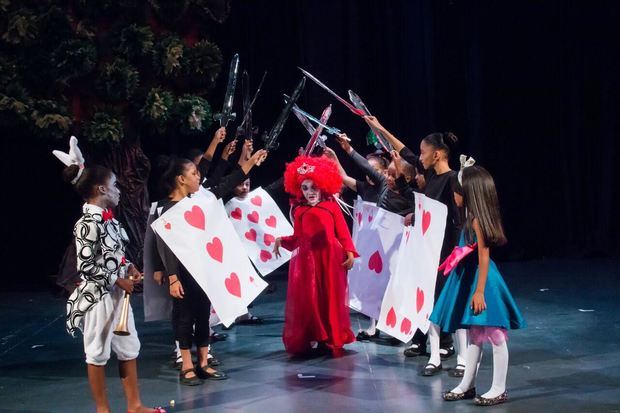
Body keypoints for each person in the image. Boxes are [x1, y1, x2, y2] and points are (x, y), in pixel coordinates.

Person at [59, 138, 164, 413]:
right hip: (98, 297)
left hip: (118, 295)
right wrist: (117, 279)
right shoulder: (86, 223)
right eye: (115, 185)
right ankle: (102, 409)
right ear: (102, 188)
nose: (119, 190)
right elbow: (86, 266)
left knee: (129, 347)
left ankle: (135, 405)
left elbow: (113, 254)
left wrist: (128, 267)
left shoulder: (109, 219)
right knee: (97, 351)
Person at [153, 149, 267, 385]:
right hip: (183, 273)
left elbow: (227, 184)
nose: (198, 178)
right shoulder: (167, 209)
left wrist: (251, 163)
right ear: (181, 179)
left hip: (205, 271)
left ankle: (204, 362)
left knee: (203, 315)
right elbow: (166, 246)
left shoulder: (202, 199)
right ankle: (186, 364)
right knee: (184, 318)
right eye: (194, 174)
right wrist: (173, 278)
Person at [364, 116, 464, 375]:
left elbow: (455, 221)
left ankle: (452, 350)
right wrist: (380, 127)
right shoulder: (430, 176)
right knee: (426, 301)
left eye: (423, 153)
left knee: (443, 302)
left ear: (438, 154)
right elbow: (404, 151)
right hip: (425, 250)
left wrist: (454, 254)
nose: (419, 157)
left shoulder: (452, 179)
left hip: (443, 252)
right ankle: (428, 349)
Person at [434, 162, 526, 406]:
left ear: (468, 193)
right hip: (471, 276)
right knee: (475, 334)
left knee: (495, 334)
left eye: (456, 191)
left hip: (482, 281)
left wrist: (479, 291)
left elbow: (484, 257)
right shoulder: (469, 218)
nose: (454, 196)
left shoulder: (476, 221)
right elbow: (467, 249)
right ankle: (467, 384)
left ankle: (499, 388)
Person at [273, 155, 358, 356]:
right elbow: (298, 238)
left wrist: (350, 253)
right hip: (309, 262)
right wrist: (281, 240)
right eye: (305, 188)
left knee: (331, 296)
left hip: (330, 259)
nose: (310, 192)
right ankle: (317, 335)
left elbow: (343, 232)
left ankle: (331, 337)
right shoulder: (300, 210)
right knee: (312, 299)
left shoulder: (331, 206)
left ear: (322, 186)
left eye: (313, 187)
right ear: (299, 190)